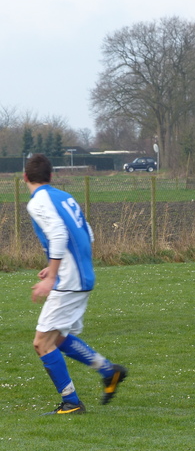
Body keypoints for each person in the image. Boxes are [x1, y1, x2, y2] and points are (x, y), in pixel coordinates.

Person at [24, 154, 127, 415]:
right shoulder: (64, 197)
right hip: (82, 276)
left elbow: (58, 234)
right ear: (51, 177)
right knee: (58, 338)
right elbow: (86, 234)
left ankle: (71, 402)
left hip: (68, 280)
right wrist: (59, 265)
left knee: (41, 343)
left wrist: (52, 275)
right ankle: (108, 371)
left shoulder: (37, 202)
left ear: (25, 178)